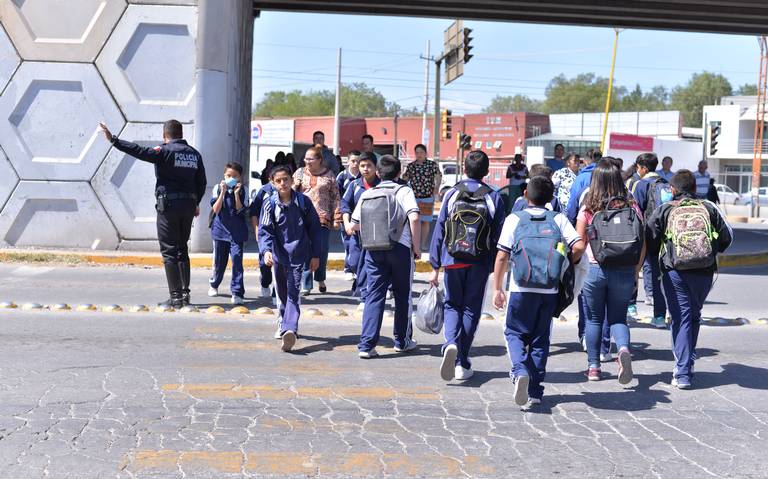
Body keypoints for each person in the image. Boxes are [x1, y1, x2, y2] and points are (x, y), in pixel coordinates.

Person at [493, 176, 585, 409]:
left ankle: (520, 370)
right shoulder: (558, 219)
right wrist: (564, 264)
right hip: (549, 288)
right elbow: (579, 246)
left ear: (525, 194)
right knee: (540, 339)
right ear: (552, 197)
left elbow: (502, 255)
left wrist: (497, 288)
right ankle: (534, 391)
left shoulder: (515, 219)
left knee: (514, 332)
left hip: (520, 288)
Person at [98, 120, 205, 309]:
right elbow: (202, 182)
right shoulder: (195, 154)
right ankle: (185, 295)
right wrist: (196, 202)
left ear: (165, 135)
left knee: (169, 251)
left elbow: (139, 151)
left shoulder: (164, 151)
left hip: (169, 206)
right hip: (188, 205)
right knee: (182, 249)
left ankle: (176, 299)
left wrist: (114, 140)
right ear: (181, 134)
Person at [646, 169, 732, 389]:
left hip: (674, 271)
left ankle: (683, 372)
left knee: (681, 318)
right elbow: (727, 237)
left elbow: (650, 239)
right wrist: (708, 251)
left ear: (672, 189)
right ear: (695, 188)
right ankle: (688, 363)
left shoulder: (665, 209)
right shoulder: (709, 207)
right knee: (694, 316)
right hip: (704, 271)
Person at [429, 150, 505, 381]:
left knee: (452, 305)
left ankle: (450, 342)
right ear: (487, 171)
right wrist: (494, 266)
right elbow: (499, 236)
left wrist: (435, 264)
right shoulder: (494, 197)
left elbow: (440, 228)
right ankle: (462, 361)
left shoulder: (452, 193)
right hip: (479, 261)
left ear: (464, 169)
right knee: (471, 309)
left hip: (453, 259)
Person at [576, 160, 644, 383]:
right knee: (618, 318)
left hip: (594, 269)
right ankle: (623, 349)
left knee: (594, 319)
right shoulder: (631, 205)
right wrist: (636, 270)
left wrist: (574, 266)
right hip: (624, 269)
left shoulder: (589, 205)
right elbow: (642, 240)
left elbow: (579, 243)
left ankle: (594, 368)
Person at [351, 155, 420, 358]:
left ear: (378, 173)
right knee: (402, 296)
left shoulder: (368, 193)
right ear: (399, 173)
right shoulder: (404, 191)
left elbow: (355, 224)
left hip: (373, 249)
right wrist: (417, 247)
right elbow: (414, 217)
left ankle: (366, 345)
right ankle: (402, 341)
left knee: (374, 295)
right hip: (400, 248)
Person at [259, 165, 322, 352]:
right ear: (272, 183)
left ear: (292, 180)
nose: (283, 183)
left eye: (285, 179)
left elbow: (314, 230)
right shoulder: (269, 204)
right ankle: (283, 321)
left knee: (294, 292)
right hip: (278, 255)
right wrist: (266, 251)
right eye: (278, 181)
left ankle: (290, 329)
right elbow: (265, 230)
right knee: (282, 292)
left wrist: (315, 255)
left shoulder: (303, 202)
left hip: (298, 255)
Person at [293, 145, 342, 296]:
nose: (307, 161)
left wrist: (337, 218)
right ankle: (306, 284)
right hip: (302, 217)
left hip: (323, 218)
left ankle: (320, 278)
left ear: (319, 159)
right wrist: (295, 186)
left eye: (311, 159)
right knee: (306, 249)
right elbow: (289, 193)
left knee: (321, 250)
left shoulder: (329, 174)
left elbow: (335, 197)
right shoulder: (299, 173)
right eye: (306, 158)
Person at [633, 153, 669, 328]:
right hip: (664, 236)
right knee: (659, 275)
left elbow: (635, 211)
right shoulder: (666, 184)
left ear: (644, 168)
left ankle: (630, 308)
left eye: (638, 167)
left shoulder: (641, 184)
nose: (637, 170)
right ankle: (660, 316)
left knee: (635, 270)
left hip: (646, 235)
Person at [208, 162, 249, 305]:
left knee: (237, 260)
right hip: (220, 231)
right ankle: (214, 284)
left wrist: (236, 194)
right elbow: (216, 209)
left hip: (237, 232)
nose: (231, 178)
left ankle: (237, 292)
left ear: (240, 178)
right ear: (224, 175)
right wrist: (223, 192)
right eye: (228, 175)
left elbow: (241, 210)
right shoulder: (217, 188)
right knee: (219, 262)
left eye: (235, 176)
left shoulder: (244, 190)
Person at [341, 152, 380, 301]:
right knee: (354, 262)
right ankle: (361, 285)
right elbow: (345, 205)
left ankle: (366, 294)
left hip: (376, 234)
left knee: (370, 264)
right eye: (362, 165)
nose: (365, 169)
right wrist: (347, 223)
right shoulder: (354, 185)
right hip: (356, 233)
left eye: (369, 165)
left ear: (375, 167)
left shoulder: (381, 185)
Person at [402, 144, 442, 252]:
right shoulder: (411, 166)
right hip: (413, 198)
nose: (419, 155)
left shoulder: (432, 165)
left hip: (427, 197)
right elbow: (405, 179)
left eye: (421, 152)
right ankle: (414, 243)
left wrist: (437, 188)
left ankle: (423, 244)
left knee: (425, 221)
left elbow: (438, 176)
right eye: (417, 152)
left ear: (425, 153)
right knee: (413, 221)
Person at [250, 181, 277, 304]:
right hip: (266, 233)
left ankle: (276, 293)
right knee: (265, 264)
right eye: (278, 180)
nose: (282, 183)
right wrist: (257, 230)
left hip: (282, 236)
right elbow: (254, 212)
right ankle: (265, 282)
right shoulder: (264, 192)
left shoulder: (293, 194)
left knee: (281, 266)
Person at [337, 151, 362, 281]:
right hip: (346, 216)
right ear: (347, 162)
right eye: (353, 161)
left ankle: (358, 268)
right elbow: (337, 196)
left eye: (358, 161)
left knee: (358, 244)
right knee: (348, 243)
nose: (355, 164)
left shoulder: (363, 177)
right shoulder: (342, 176)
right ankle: (348, 269)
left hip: (360, 217)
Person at [565, 149, 601, 224]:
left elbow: (573, 202)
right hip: (605, 221)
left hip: (584, 221)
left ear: (585, 161)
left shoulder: (581, 178)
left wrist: (571, 220)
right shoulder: (607, 175)